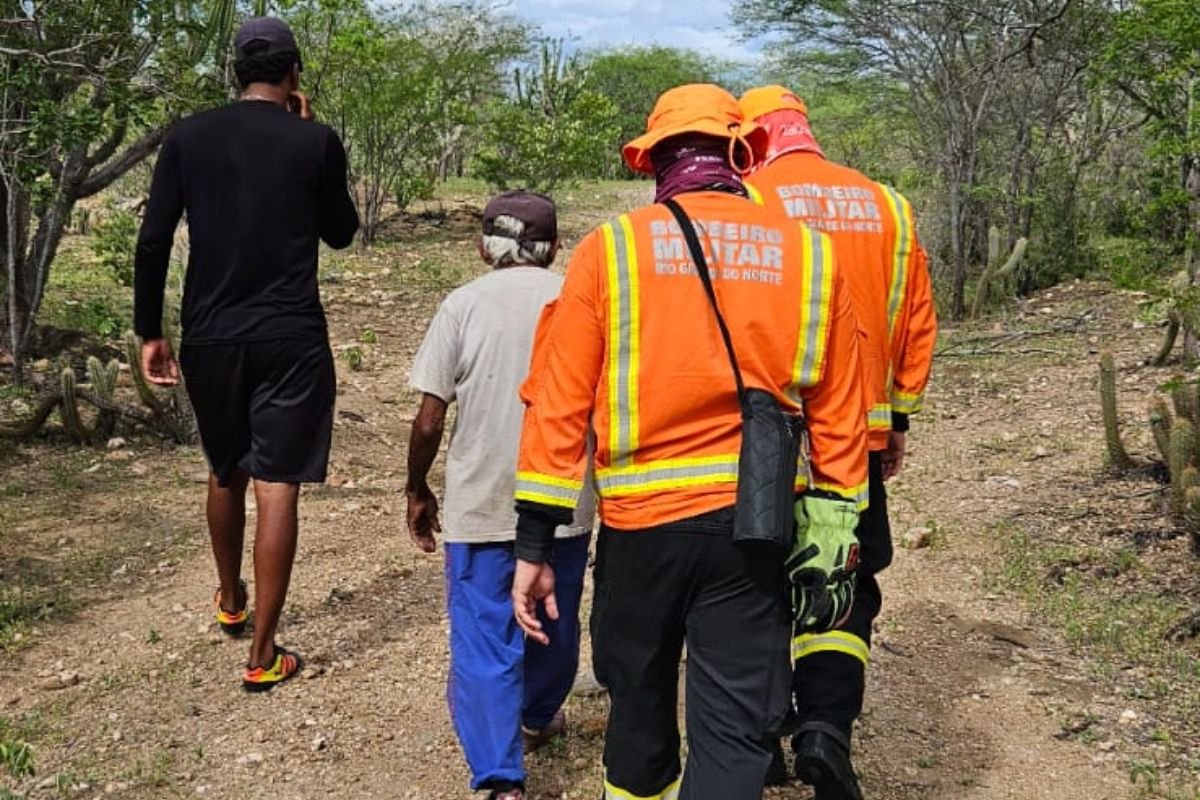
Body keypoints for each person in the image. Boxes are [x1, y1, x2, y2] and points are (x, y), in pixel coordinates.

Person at [509, 84, 869, 800]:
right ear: (741, 155)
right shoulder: (811, 257)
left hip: (642, 533)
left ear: (653, 162)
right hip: (755, 527)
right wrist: (837, 520)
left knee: (638, 707)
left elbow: (556, 404)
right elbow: (840, 408)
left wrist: (533, 544)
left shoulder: (609, 251)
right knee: (736, 726)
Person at [133, 16, 359, 692]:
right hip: (290, 335)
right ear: (293, 74)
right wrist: (315, 143)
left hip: (210, 334)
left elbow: (151, 242)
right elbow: (342, 233)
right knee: (278, 482)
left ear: (236, 72)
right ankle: (263, 652)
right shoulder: (314, 140)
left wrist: (151, 331)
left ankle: (230, 597)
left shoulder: (189, 136)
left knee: (224, 467)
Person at [739, 85, 938, 798]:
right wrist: (899, 417)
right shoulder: (887, 204)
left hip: (768, 437)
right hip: (857, 434)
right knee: (844, 582)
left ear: (752, 137)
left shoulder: (744, 203)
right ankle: (824, 728)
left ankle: (757, 735)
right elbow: (915, 319)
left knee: (758, 580)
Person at [405, 190, 595, 800]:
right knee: (554, 621)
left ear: (485, 245)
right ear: (555, 247)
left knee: (485, 635)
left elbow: (430, 418)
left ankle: (499, 779)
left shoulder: (462, 305)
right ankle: (538, 716)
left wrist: (416, 487)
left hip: (481, 501)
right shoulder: (579, 300)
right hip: (564, 500)